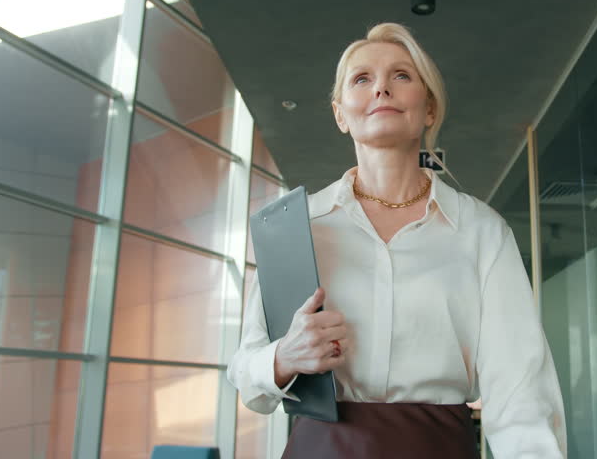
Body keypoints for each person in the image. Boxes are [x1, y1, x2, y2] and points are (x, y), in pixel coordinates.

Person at [227, 22, 566, 458]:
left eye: (401, 76)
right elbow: (248, 381)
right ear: (340, 113)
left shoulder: (481, 231)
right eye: (362, 79)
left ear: (428, 108)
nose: (381, 89)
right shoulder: (295, 226)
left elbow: (520, 390)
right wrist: (283, 357)